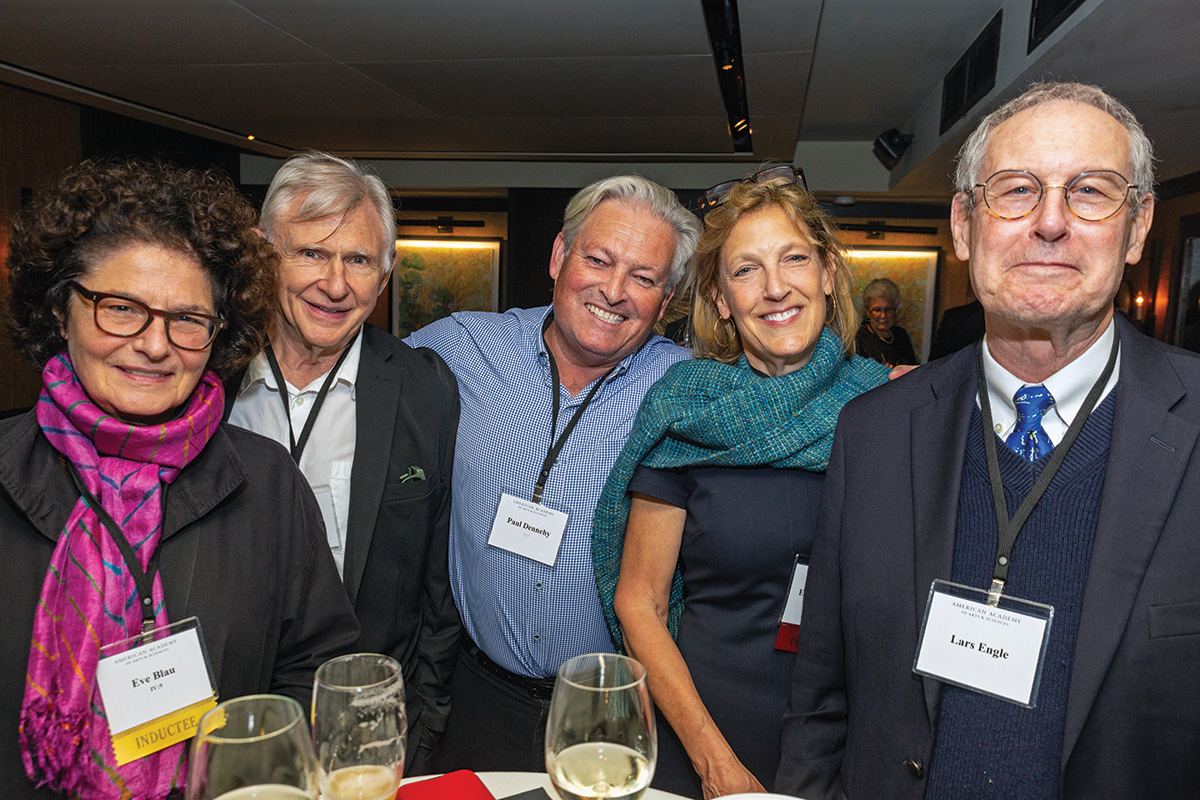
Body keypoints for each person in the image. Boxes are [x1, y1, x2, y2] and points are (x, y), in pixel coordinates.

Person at [776, 81, 1200, 799]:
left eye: (1091, 191)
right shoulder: (875, 433)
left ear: (1137, 228)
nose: (1050, 222)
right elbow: (822, 697)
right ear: (965, 225)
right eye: (1016, 190)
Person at [2, 158, 359, 800]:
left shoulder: (267, 483)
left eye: (188, 320)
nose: (155, 344)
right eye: (121, 309)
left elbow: (314, 663)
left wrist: (256, 777)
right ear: (61, 311)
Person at [591, 173, 889, 798]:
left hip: (851, 734)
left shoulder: (888, 407)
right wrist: (712, 762)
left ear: (828, 273)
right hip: (700, 730)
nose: (776, 287)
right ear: (721, 298)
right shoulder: (686, 408)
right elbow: (638, 601)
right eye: (747, 270)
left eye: (794, 259)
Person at [405, 175, 701, 771]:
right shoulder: (464, 346)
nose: (613, 291)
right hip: (477, 701)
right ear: (559, 256)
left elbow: (789, 399)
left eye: (643, 278)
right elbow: (355, 365)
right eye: (598, 259)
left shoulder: (689, 386)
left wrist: (884, 384)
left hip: (617, 711)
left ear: (665, 303)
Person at [224, 151, 460, 772]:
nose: (335, 285)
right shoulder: (202, 377)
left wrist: (423, 726)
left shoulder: (424, 388)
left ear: (386, 275)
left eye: (357, 260)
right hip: (228, 723)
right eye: (310, 253)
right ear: (263, 253)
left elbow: (440, 591)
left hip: (370, 730)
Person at [854, 277, 918, 366]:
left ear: (895, 309)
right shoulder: (858, 339)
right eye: (877, 310)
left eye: (888, 309)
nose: (883, 315)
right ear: (868, 311)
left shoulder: (901, 335)